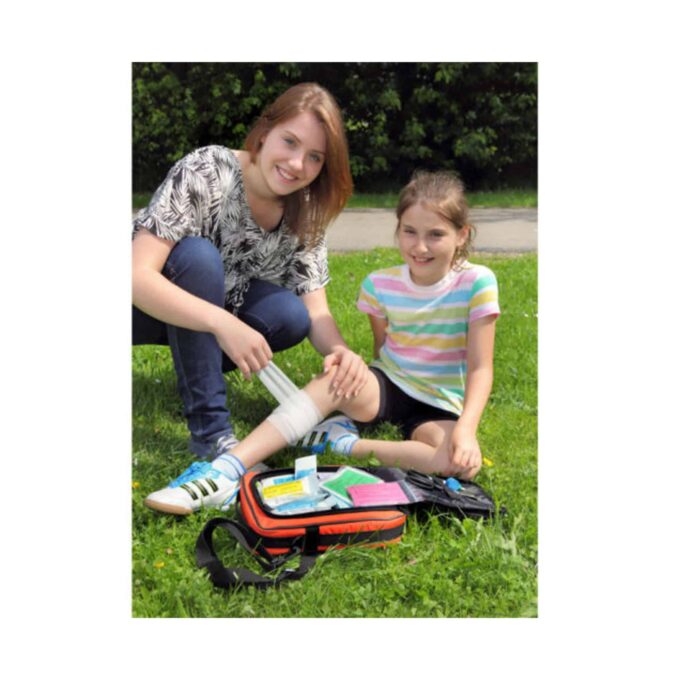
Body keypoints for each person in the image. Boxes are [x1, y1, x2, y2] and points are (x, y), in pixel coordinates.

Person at [144, 170, 500, 516]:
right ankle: (225, 470)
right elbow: (382, 351)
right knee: (335, 378)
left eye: (435, 234)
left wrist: (466, 429)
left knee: (459, 463)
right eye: (409, 231)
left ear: (461, 234)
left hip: (438, 403)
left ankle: (343, 443)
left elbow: (481, 368)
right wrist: (355, 375)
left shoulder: (477, 283)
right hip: (389, 386)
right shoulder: (379, 285)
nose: (420, 246)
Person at [133, 82, 370, 466]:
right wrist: (223, 323)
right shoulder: (208, 170)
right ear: (264, 133)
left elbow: (316, 311)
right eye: (290, 142)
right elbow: (136, 276)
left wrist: (341, 351)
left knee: (290, 315)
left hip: (208, 308)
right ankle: (212, 434)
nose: (297, 164)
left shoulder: (306, 208)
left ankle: (197, 369)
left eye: (314, 157)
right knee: (198, 257)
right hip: (142, 305)